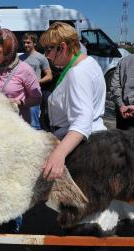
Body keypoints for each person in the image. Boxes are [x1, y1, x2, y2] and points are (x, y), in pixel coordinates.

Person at [40, 22, 106, 180]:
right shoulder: (89, 62)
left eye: (48, 49)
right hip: (93, 139)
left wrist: (59, 154)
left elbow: (82, 120)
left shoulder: (77, 73)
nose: (46, 55)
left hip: (81, 148)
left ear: (62, 47)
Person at [0, 28, 41, 124]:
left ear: (9, 50)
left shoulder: (25, 69)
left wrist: (20, 102)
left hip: (17, 126)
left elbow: (37, 99)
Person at [19, 32, 52, 129]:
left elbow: (49, 76)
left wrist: (37, 82)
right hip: (21, 94)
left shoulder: (41, 58)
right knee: (22, 122)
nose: (26, 45)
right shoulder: (20, 58)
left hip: (34, 94)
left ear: (34, 43)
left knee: (34, 124)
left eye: (28, 42)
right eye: (24, 42)